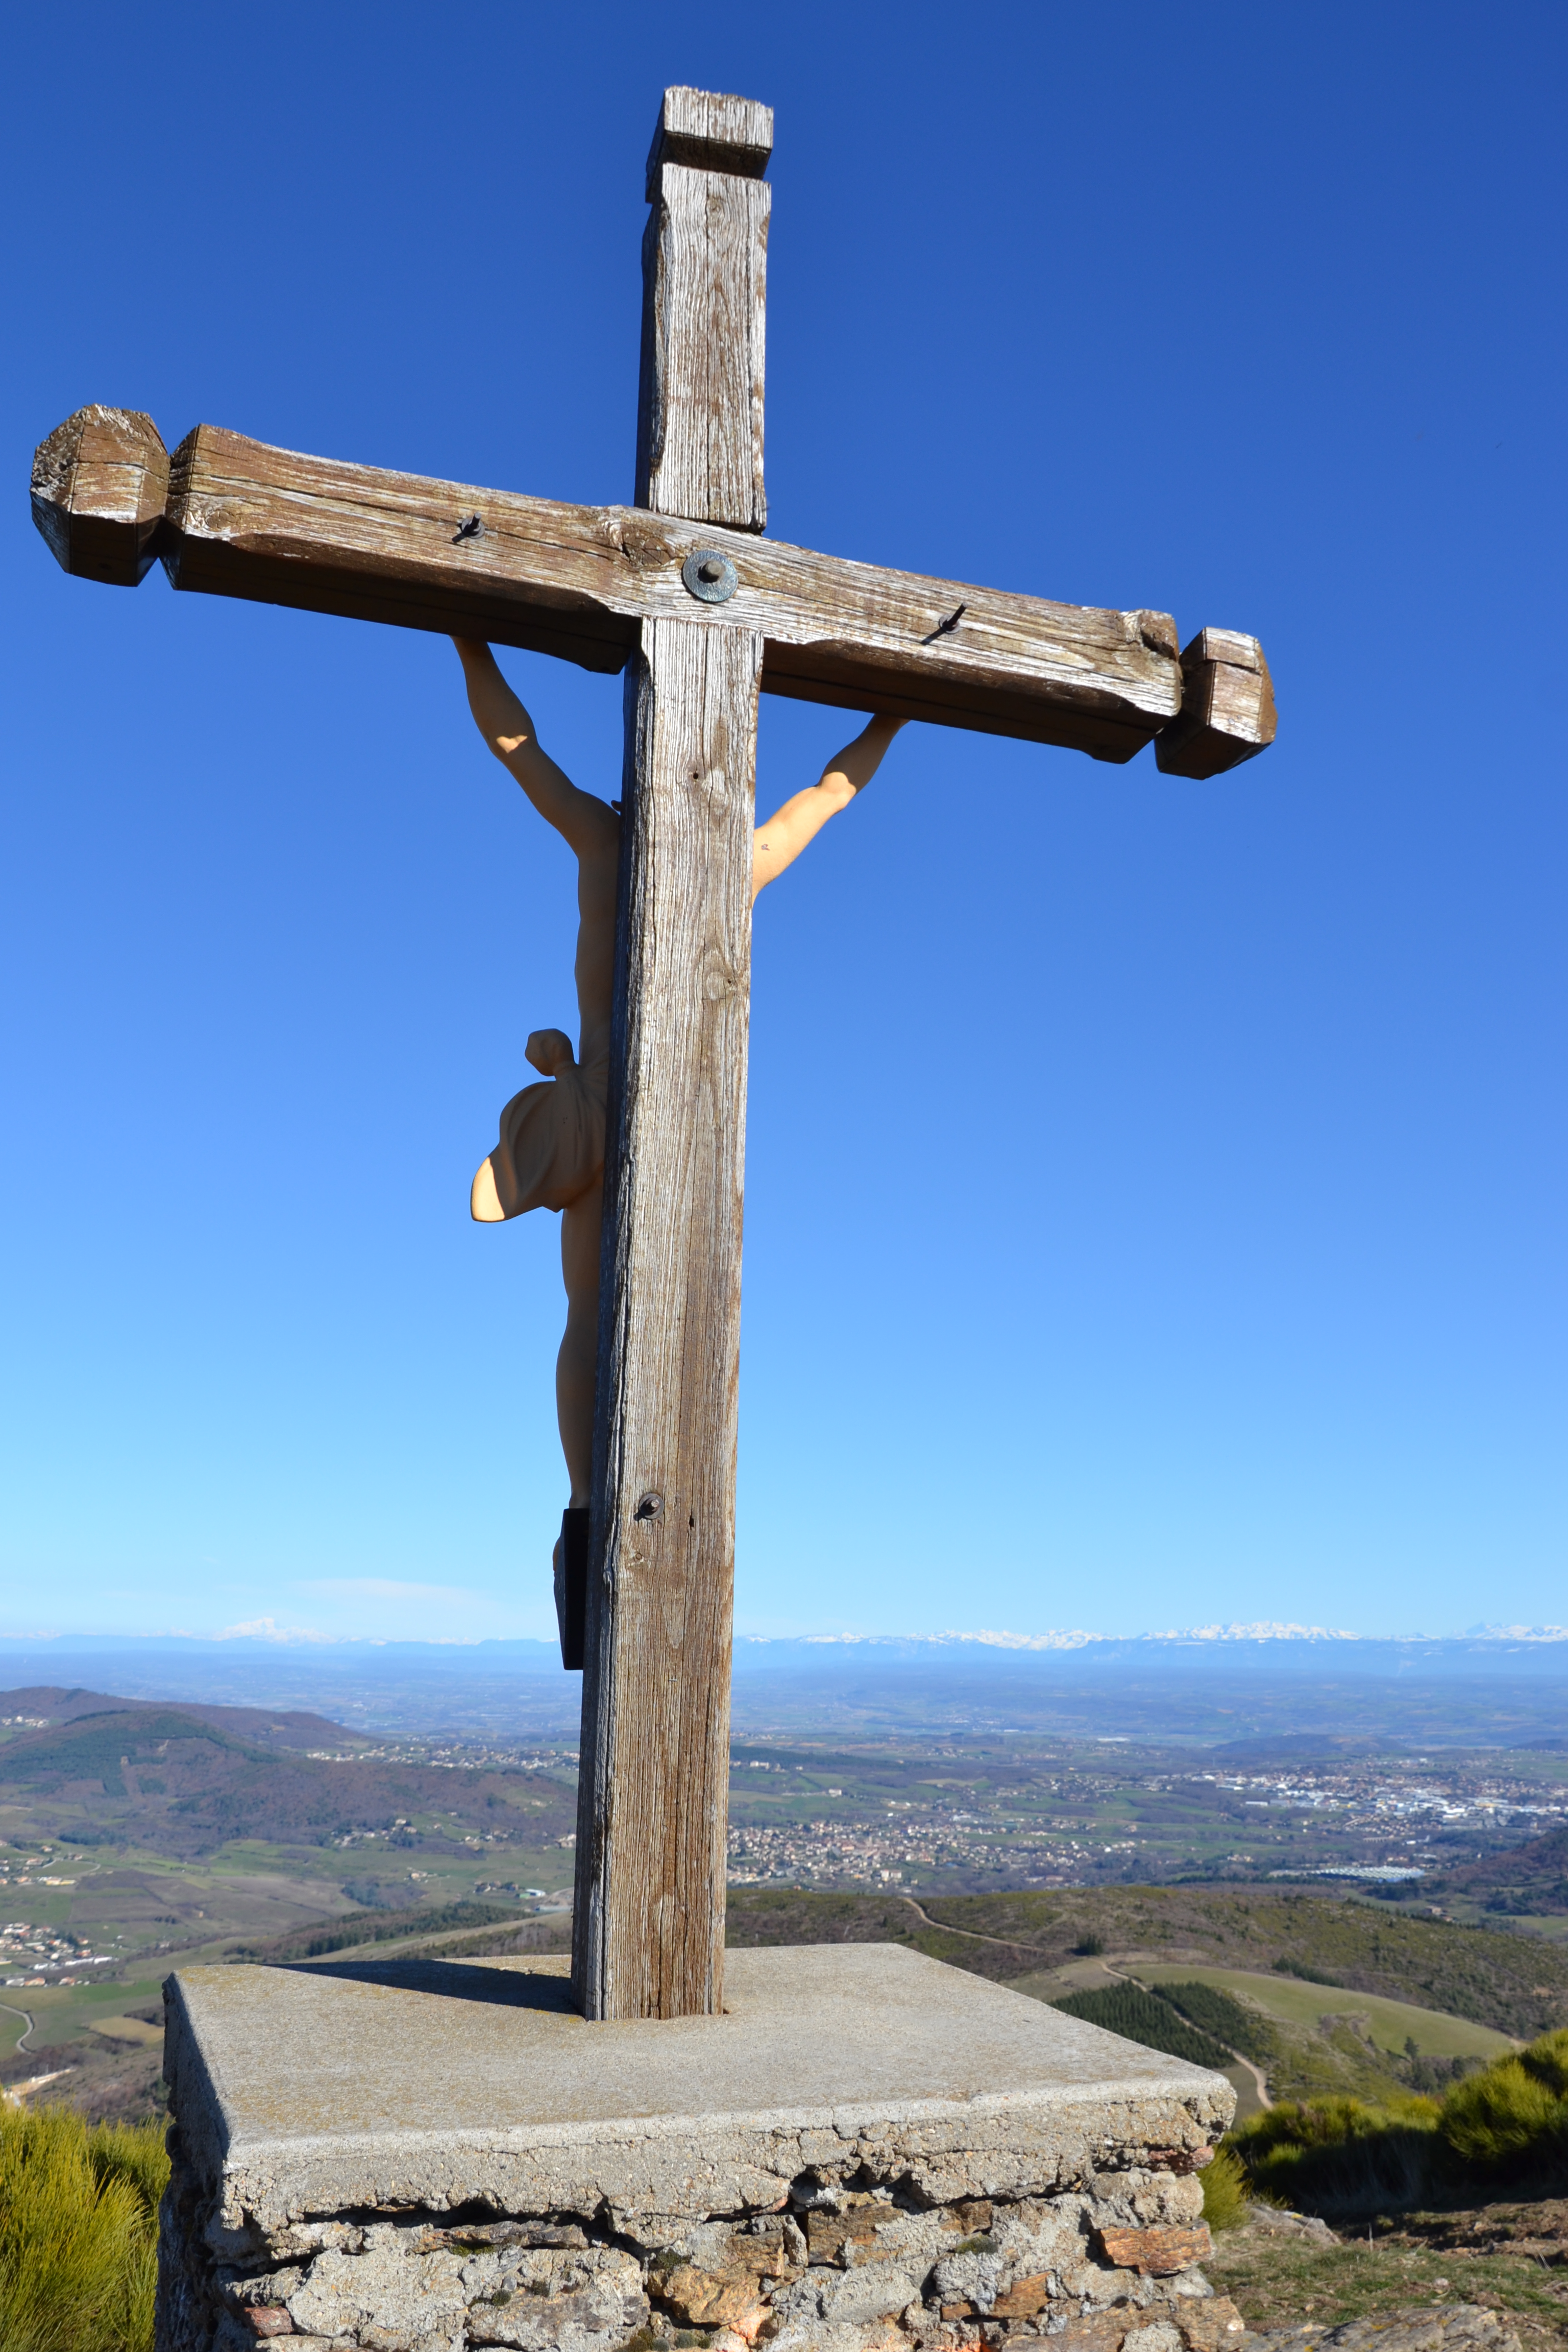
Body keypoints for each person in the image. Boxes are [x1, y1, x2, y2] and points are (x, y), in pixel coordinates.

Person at [452, 637, 903, 1640]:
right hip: (687, 1115)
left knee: (590, 1310)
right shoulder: (727, 862)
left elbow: (513, 744)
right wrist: (893, 716)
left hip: (613, 1104)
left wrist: (467, 635)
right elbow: (829, 794)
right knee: (650, 1317)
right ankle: (616, 1510)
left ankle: (593, 1507)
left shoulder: (603, 840)